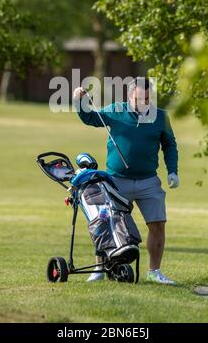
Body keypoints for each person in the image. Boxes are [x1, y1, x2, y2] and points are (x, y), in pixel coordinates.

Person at [73, 77, 179, 284]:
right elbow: (91, 118)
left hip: (148, 180)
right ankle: (100, 269)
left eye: (148, 98)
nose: (145, 103)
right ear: (130, 96)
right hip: (116, 180)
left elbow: (170, 145)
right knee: (105, 223)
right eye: (140, 99)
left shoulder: (160, 117)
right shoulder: (116, 110)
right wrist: (79, 102)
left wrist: (172, 171)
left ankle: (154, 272)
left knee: (157, 224)